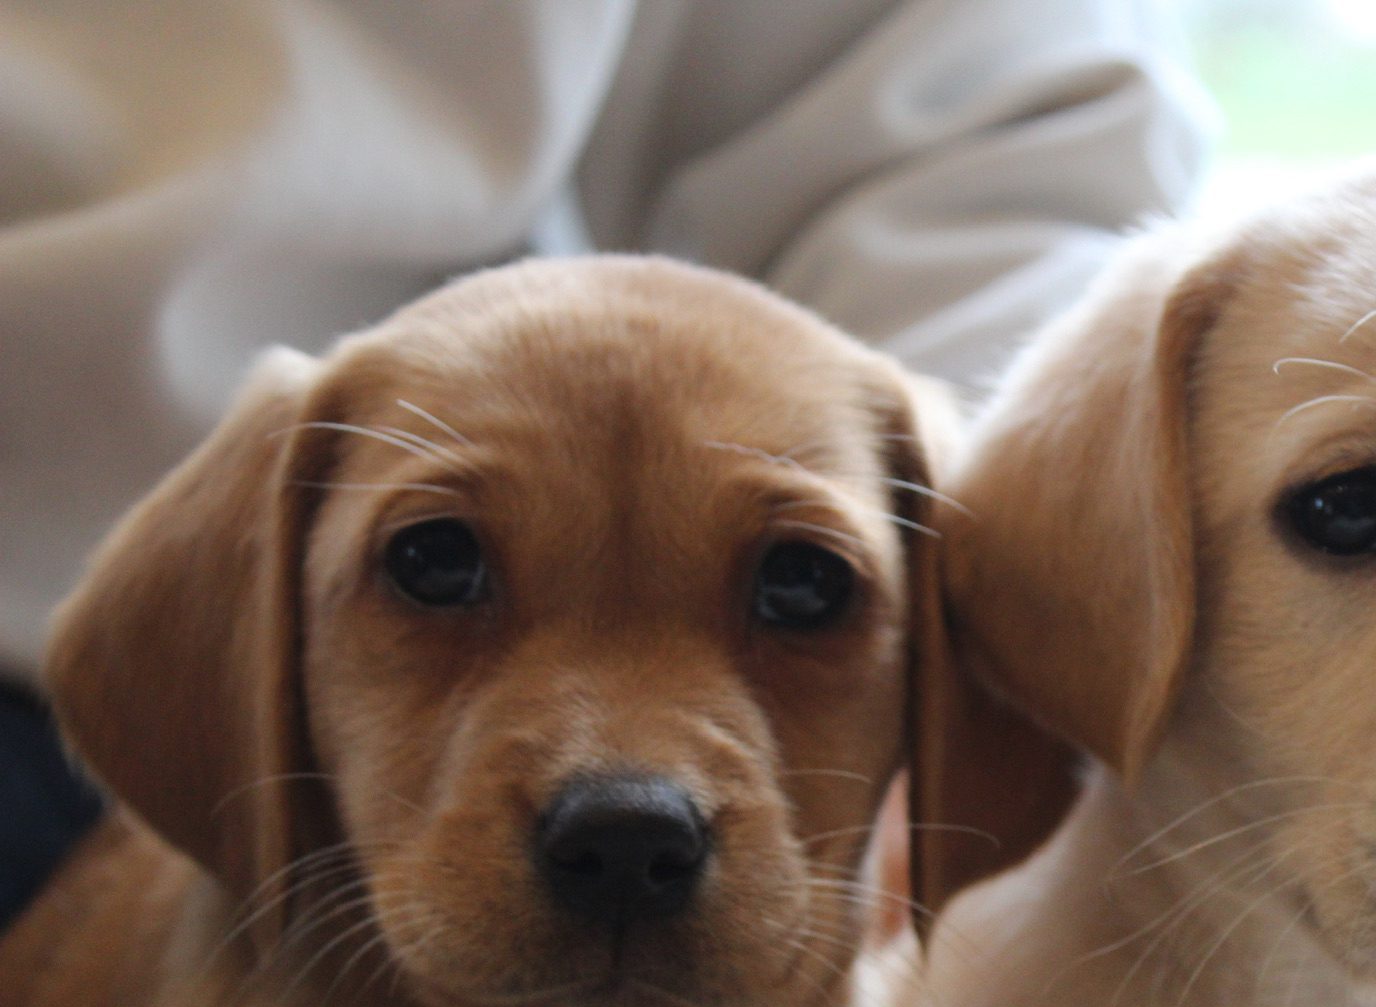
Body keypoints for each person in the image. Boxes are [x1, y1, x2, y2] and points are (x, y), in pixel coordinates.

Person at [0, 0, 1212, 929]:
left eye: (800, 587)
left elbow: (969, 147)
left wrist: (948, 735)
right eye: (437, 568)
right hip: (167, 700)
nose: (624, 781)